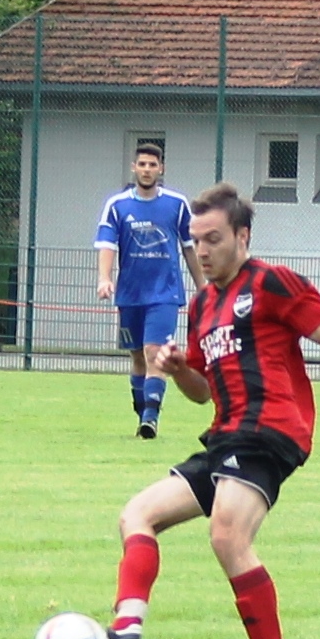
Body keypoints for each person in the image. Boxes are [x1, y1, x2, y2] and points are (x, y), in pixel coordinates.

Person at [105, 183, 320, 639]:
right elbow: (202, 394)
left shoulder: (274, 283)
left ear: (243, 235)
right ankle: (127, 625)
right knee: (137, 514)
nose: (203, 251)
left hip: (271, 432)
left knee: (227, 534)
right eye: (196, 240)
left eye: (214, 239)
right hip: (225, 437)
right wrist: (177, 368)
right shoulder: (202, 306)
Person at [94, 143, 202, 438]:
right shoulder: (117, 205)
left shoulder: (177, 204)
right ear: (134, 167)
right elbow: (107, 244)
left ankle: (151, 419)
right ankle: (143, 408)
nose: (147, 169)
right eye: (142, 164)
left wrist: (203, 287)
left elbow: (190, 248)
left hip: (164, 294)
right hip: (130, 294)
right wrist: (104, 278)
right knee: (138, 357)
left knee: (155, 352)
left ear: (161, 169)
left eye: (152, 165)